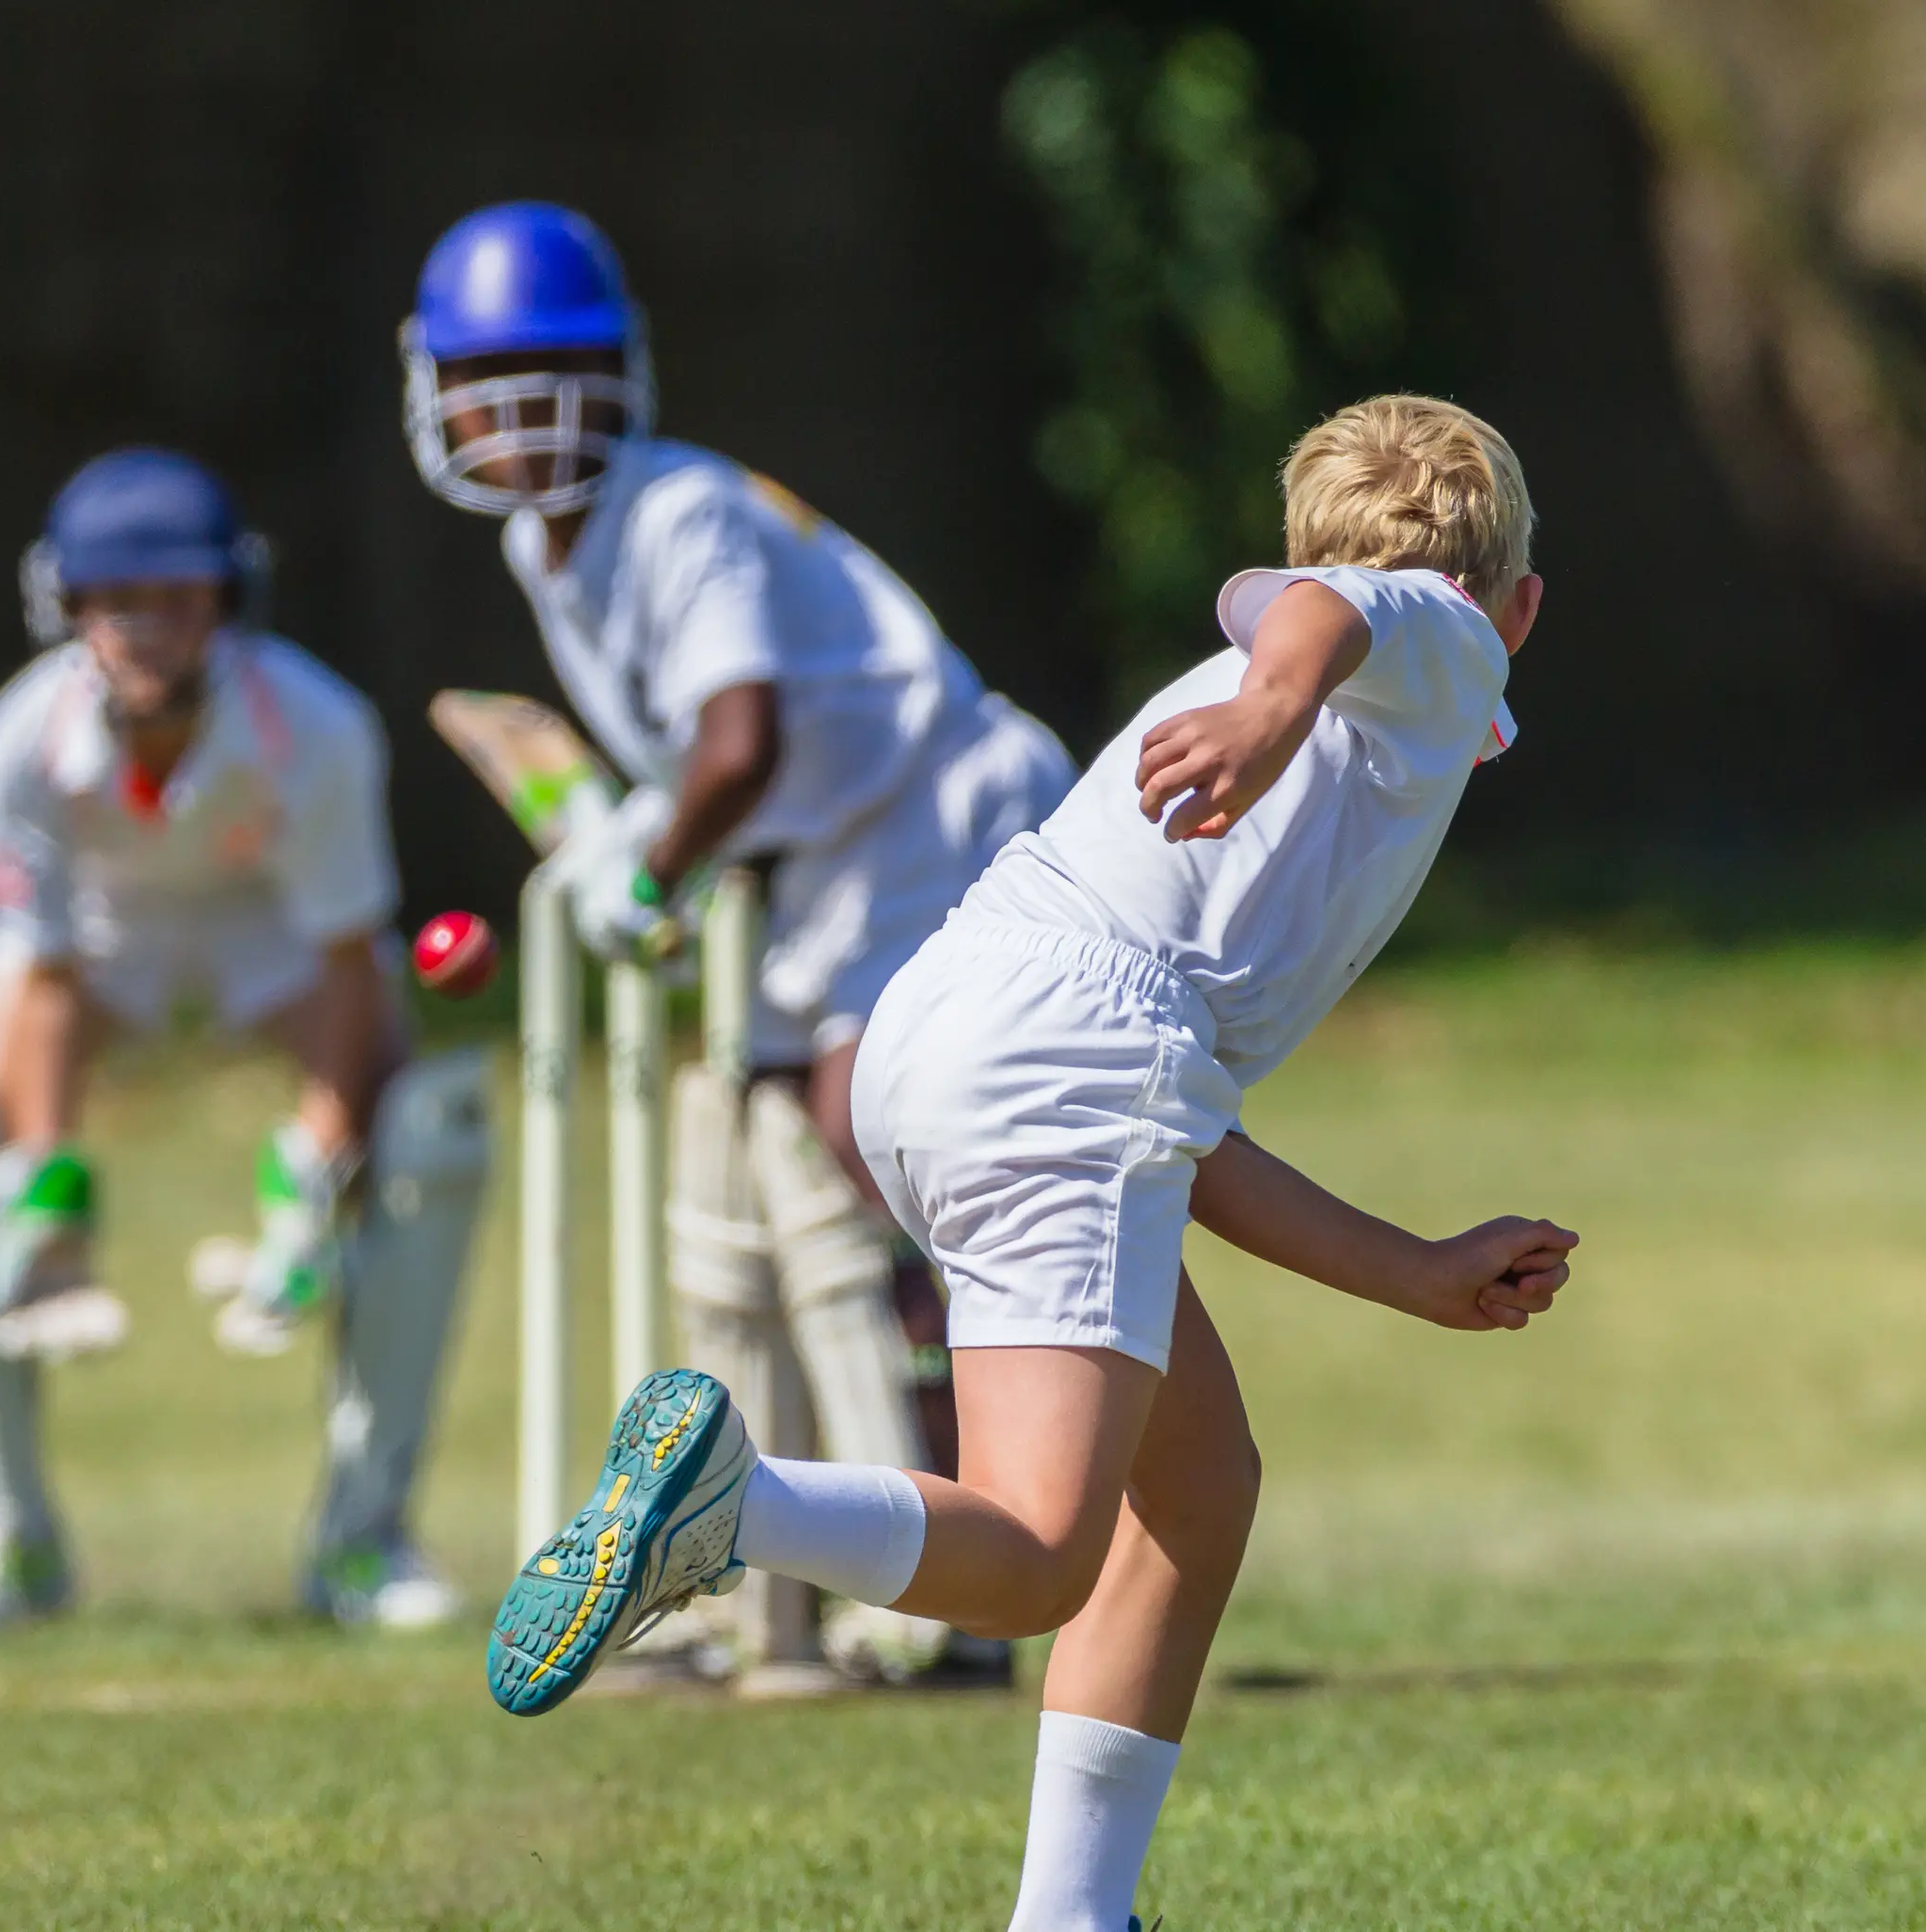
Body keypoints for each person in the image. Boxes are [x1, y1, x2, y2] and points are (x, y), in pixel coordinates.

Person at [483, 394, 1584, 1932]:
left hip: (942, 1024)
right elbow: (1363, 606)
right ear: (1522, 602)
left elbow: (1171, 1125)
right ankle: (734, 1509)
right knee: (1037, 1555)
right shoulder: (1441, 651)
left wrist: (1410, 1269)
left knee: (1195, 1490)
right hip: (1064, 1062)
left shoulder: (1281, 681)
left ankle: (1075, 1912)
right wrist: (1276, 705)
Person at [404, 200, 1073, 1688]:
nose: (521, 412)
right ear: (435, 389)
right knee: (754, 1167)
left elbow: (742, 742)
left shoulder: (682, 512)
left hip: (935, 810)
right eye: (487, 376)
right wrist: (640, 839)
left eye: (555, 369)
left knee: (869, 1142)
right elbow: (719, 761)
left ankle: (981, 1557)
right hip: (829, 859)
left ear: (620, 372)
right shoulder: (545, 542)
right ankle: (767, 1573)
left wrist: (647, 865)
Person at [0, 447, 490, 1631]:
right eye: (116, 603)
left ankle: (362, 1539)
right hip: (93, 943)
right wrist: (44, 1183)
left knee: (427, 1138)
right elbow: (34, 972)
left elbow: (347, 963)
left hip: (269, 937)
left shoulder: (316, 727)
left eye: (177, 601)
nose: (146, 630)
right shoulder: (17, 744)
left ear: (226, 603)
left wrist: (310, 1174)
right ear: (68, 607)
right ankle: (9, 1538)